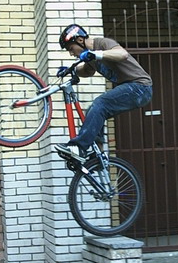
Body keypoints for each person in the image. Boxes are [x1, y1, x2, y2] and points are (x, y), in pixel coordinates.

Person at [54, 23, 153, 163]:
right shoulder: (90, 57)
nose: (71, 53)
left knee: (101, 104)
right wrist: (71, 70)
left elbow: (122, 54)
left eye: (71, 48)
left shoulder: (103, 43)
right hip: (133, 88)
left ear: (80, 40)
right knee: (93, 111)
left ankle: (78, 147)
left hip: (140, 87)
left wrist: (96, 54)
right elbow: (87, 71)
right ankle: (99, 155)